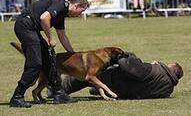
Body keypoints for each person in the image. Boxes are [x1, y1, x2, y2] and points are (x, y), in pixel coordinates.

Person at [10, 0, 89, 108]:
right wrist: (50, 38)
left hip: (31, 29)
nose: (80, 15)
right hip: (25, 26)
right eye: (81, 11)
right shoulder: (61, 4)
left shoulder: (61, 14)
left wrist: (73, 54)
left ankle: (58, 93)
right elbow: (44, 17)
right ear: (76, 5)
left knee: (49, 60)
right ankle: (17, 97)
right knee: (35, 64)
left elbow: (62, 36)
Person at [49, 52, 183, 99]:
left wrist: (128, 55)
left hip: (116, 82)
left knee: (87, 76)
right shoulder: (167, 90)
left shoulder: (155, 71)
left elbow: (129, 68)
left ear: (170, 68)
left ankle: (56, 90)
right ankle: (96, 90)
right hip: (125, 92)